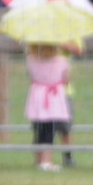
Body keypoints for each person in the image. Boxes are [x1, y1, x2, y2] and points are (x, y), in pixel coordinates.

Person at [25, 43, 72, 172]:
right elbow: (66, 80)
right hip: (54, 98)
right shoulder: (62, 61)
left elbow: (30, 76)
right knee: (50, 130)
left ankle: (39, 159)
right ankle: (46, 161)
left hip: (37, 96)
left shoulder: (31, 60)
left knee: (39, 130)